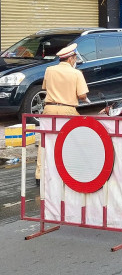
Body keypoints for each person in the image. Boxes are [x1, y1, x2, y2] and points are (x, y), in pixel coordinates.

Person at [36, 44, 89, 184]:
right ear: (71, 58)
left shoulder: (49, 70)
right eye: (75, 58)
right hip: (68, 110)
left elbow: (45, 87)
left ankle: (40, 175)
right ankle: (71, 171)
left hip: (50, 109)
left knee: (45, 141)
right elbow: (82, 95)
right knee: (74, 139)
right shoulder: (76, 73)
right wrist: (83, 98)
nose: (75, 60)